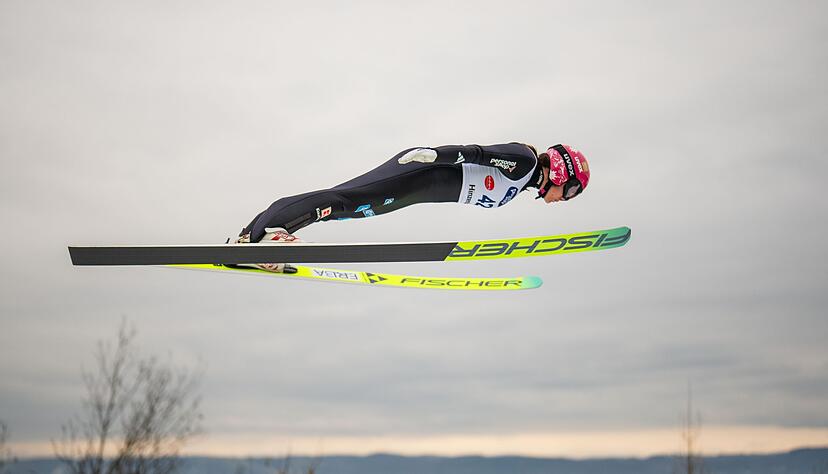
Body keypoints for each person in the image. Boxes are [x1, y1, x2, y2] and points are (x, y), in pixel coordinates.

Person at [235, 142, 590, 272]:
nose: (567, 198)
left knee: (344, 205)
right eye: (571, 189)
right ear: (562, 172)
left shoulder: (524, 180)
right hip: (422, 171)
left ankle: (250, 239)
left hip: (417, 189)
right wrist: (436, 155)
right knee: (342, 201)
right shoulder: (525, 160)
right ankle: (272, 234)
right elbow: (478, 153)